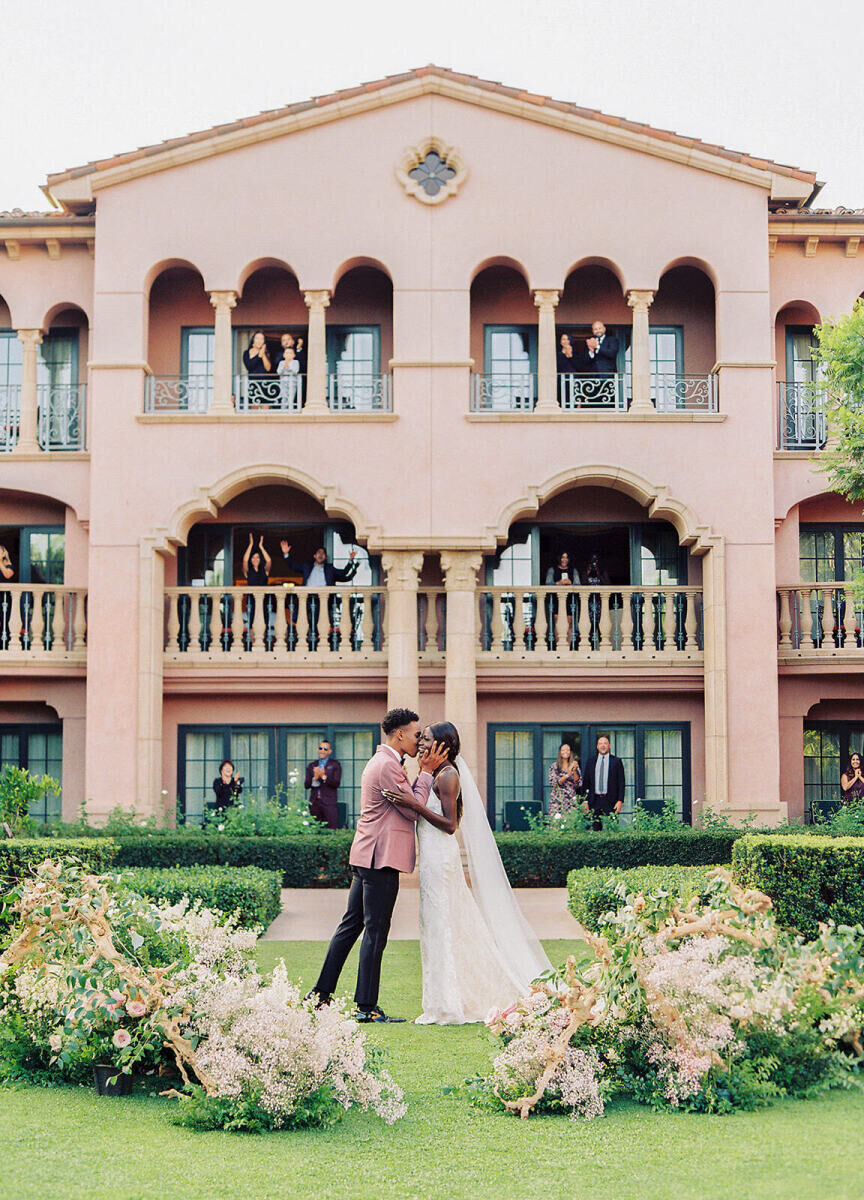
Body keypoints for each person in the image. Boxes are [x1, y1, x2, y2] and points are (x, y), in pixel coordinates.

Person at [384, 721, 551, 1025]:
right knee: (434, 925)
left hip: (441, 859)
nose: (422, 744)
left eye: (428, 740)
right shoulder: (434, 773)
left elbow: (450, 825)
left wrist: (413, 805)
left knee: (443, 925)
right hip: (431, 859)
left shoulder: (448, 777)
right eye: (421, 739)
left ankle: (448, 1006)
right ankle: (439, 1001)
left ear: (443, 746)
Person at [307, 708, 448, 1022]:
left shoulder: (385, 762)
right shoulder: (387, 765)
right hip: (380, 858)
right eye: (415, 735)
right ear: (400, 734)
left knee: (351, 927)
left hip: (371, 856)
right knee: (375, 931)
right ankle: (366, 1007)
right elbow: (414, 810)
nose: (419, 742)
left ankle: (319, 996)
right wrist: (425, 773)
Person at [280, 541, 359, 649]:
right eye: (318, 553)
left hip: (322, 599)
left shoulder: (329, 569)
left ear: (325, 557)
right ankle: (300, 633)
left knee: (316, 621)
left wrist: (350, 560)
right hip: (307, 598)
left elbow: (343, 573)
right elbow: (292, 566)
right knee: (296, 617)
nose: (320, 555)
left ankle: (314, 641)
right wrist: (286, 554)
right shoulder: (307, 566)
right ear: (314, 556)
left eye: (323, 553)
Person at [580, 734, 625, 830]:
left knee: (612, 829)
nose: (603, 745)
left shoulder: (616, 761)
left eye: (605, 743)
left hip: (611, 800)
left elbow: (621, 783)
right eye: (600, 743)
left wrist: (620, 801)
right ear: (597, 746)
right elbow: (586, 782)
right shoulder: (591, 761)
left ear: (609, 746)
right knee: (594, 829)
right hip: (594, 800)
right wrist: (585, 801)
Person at [241, 533, 273, 649]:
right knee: (251, 624)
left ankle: (261, 646)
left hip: (263, 601)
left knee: (263, 622)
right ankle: (253, 644)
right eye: (253, 557)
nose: (255, 559)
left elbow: (269, 561)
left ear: (260, 560)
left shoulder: (265, 571)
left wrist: (261, 546)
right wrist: (250, 544)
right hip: (252, 601)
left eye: (257, 557)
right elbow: (244, 561)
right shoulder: (248, 572)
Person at [544, 550, 580, 648]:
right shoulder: (552, 570)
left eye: (566, 557)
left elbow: (579, 585)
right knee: (557, 621)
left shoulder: (573, 570)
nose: (565, 559)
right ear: (559, 558)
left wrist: (570, 583)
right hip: (556, 599)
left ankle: (568, 646)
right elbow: (547, 584)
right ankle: (558, 645)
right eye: (562, 557)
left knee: (569, 622)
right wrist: (558, 583)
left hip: (569, 600)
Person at [305, 738, 342, 829]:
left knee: (332, 828)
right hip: (315, 802)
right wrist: (315, 779)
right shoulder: (312, 765)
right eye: (320, 748)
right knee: (315, 828)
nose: (322, 751)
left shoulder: (335, 765)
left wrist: (324, 777)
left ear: (329, 751)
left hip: (329, 802)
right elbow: (306, 785)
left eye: (325, 749)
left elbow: (336, 783)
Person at [548, 742, 582, 815]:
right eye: (563, 750)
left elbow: (578, 784)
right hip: (557, 799)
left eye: (567, 750)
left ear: (570, 752)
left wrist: (574, 770)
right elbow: (554, 783)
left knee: (570, 823)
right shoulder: (554, 766)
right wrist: (568, 774)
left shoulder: (574, 764)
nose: (565, 752)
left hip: (570, 799)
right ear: (560, 752)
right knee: (556, 824)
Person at [242, 331, 272, 405]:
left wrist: (263, 354)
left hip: (265, 383)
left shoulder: (266, 353)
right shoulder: (247, 352)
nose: (259, 341)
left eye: (262, 339)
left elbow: (268, 368)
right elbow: (249, 366)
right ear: (253, 340)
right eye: (257, 338)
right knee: (254, 406)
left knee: (265, 406)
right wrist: (259, 356)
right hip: (253, 383)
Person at [0, 543, 13, 652]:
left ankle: (4, 644)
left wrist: (0, 562)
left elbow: (7, 575)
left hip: (3, 599)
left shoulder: (8, 564)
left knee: (5, 619)